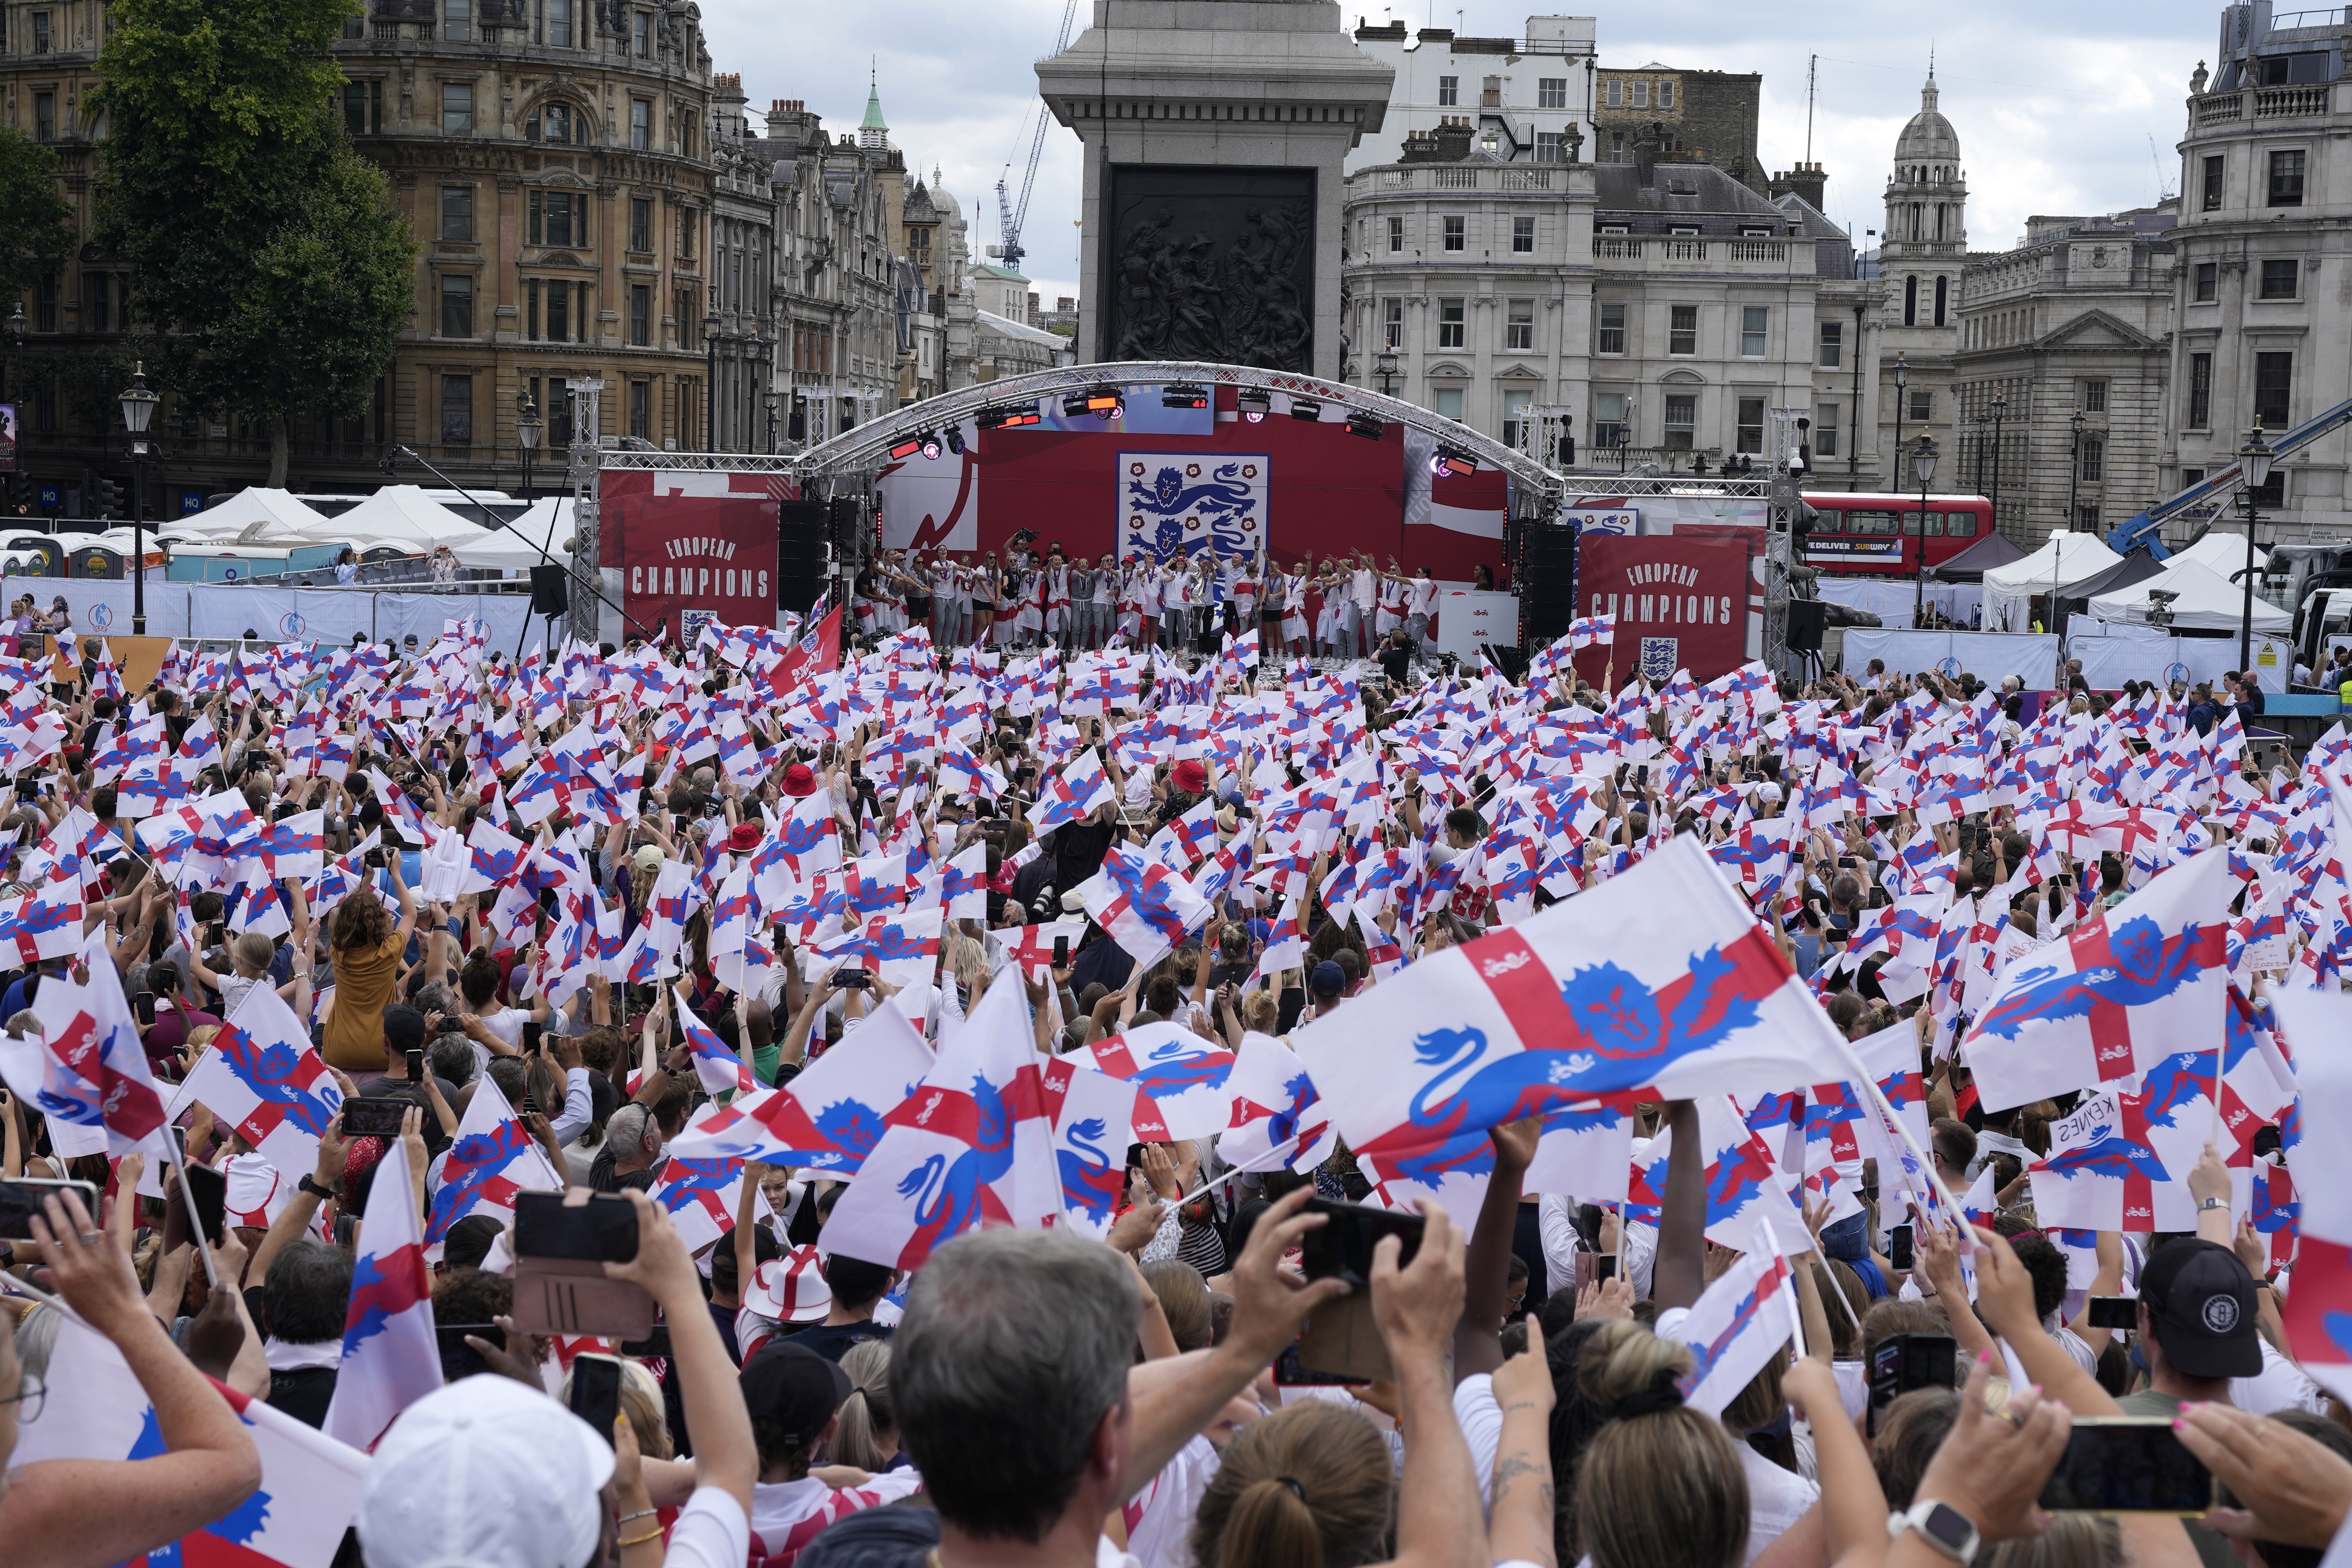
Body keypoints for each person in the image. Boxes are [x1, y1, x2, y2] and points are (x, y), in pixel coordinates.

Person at [356, 1190, 756, 1568]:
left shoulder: (372, 1445)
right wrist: (680, 1289)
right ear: (600, 1539)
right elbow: (728, 1470)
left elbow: (725, 1472)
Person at [0, 1189, 264, 1568]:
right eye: (15, 1393)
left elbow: (166, 1293)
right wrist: (228, 1284)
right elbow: (238, 1453)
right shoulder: (33, 1507)